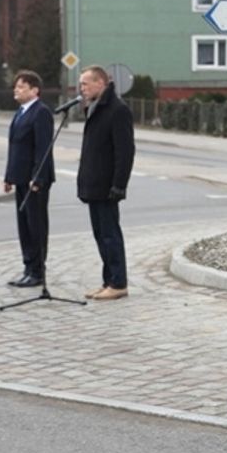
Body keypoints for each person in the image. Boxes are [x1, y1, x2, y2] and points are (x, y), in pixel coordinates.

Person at [78, 66, 136, 302]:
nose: (82, 89)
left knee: (111, 234)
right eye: (81, 84)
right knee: (100, 235)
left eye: (85, 84)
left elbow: (125, 152)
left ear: (100, 83)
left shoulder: (117, 110)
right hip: (94, 184)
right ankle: (108, 280)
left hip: (107, 186)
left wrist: (119, 184)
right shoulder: (95, 108)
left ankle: (118, 282)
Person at [3, 70, 55, 288]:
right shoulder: (20, 113)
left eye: (22, 86)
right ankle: (28, 267)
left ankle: (38, 271)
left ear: (35, 90)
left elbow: (43, 149)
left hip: (35, 180)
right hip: (21, 178)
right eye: (16, 86)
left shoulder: (41, 112)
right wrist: (8, 177)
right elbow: (14, 148)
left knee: (36, 225)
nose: (17, 89)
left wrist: (38, 178)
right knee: (24, 225)